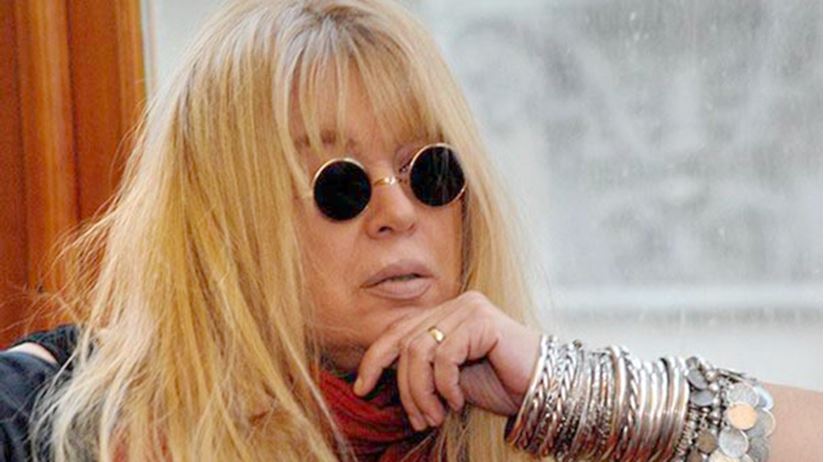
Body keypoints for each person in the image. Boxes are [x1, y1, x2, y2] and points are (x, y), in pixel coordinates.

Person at [1, 0, 821, 461]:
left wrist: (565, 383)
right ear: (226, 224)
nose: (400, 213)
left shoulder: (528, 416)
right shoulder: (55, 414)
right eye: (341, 184)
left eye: (430, 172)